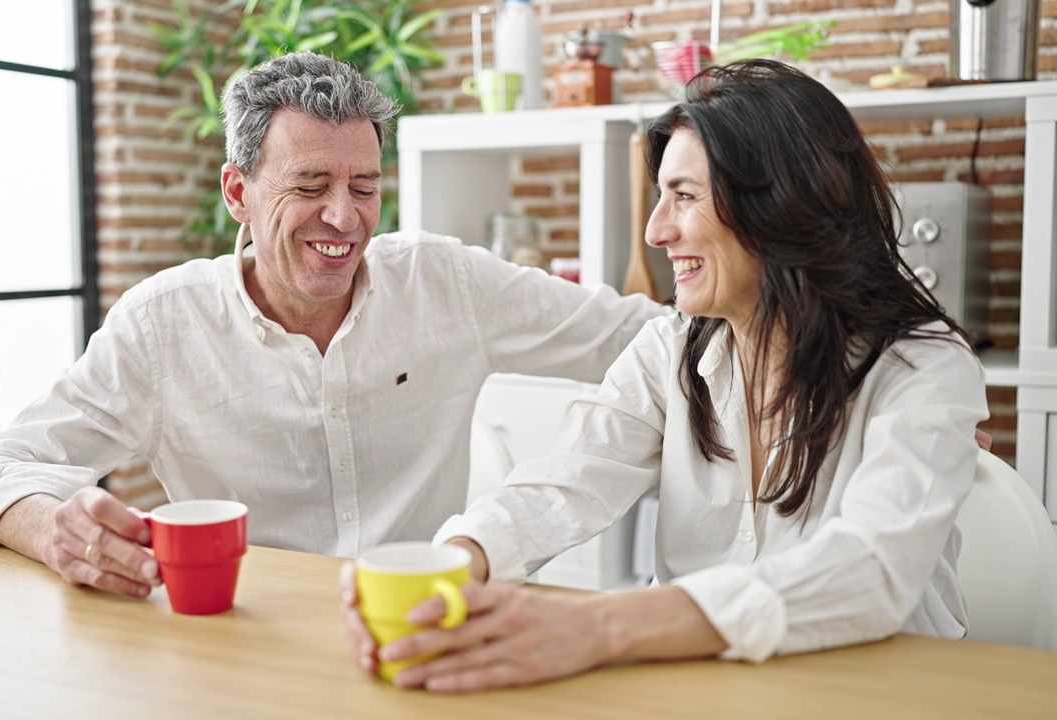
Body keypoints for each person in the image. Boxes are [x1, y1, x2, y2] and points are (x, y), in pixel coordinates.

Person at [339, 59, 991, 692]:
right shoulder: (668, 350)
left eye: (682, 196)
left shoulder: (923, 369)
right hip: (701, 690)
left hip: (882, 694)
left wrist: (600, 624)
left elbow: (871, 572)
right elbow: (562, 482)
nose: (655, 231)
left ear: (782, 205)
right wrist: (453, 564)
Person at [0, 52, 664, 598]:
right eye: (310, 186)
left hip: (413, 625)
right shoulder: (164, 325)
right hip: (245, 646)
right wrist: (53, 531)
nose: (345, 218)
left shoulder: (447, 282)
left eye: (364, 186)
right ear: (239, 192)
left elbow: (637, 336)